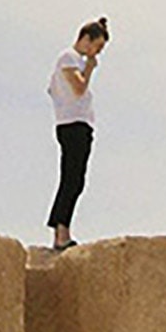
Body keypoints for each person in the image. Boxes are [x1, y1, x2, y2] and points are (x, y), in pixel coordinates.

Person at [46, 16, 109, 251]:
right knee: (72, 179)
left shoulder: (72, 61)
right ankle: (61, 234)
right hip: (72, 125)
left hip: (76, 124)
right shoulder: (69, 58)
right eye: (97, 46)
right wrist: (90, 68)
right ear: (86, 39)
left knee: (75, 180)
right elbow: (79, 88)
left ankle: (61, 231)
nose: (97, 52)